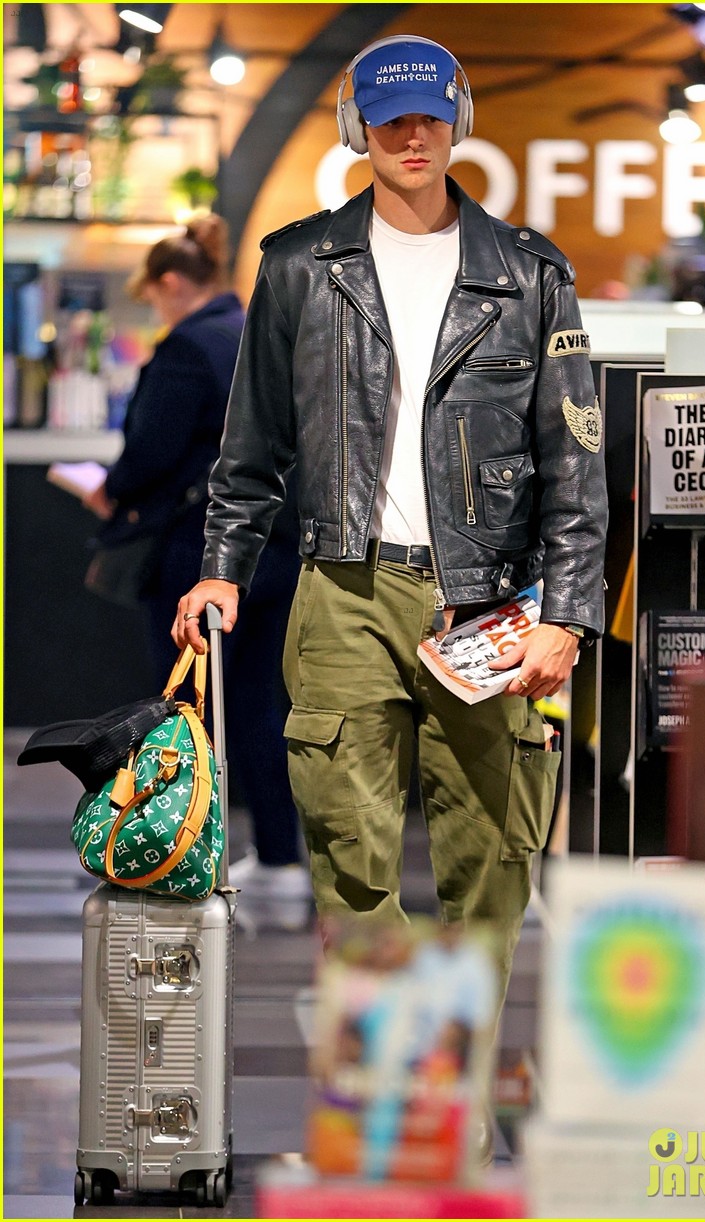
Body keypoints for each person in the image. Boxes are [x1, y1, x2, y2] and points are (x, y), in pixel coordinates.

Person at [174, 37, 607, 993]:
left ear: (458, 119)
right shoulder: (298, 267)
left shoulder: (530, 274)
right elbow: (251, 448)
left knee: (490, 875)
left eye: (428, 115)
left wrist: (569, 614)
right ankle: (385, 1124)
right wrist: (222, 564)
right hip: (343, 595)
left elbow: (574, 461)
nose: (412, 135)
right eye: (389, 116)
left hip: (490, 608)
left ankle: (460, 1126)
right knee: (349, 870)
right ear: (354, 125)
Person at [83, 215, 310, 929]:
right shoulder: (258, 330)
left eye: (153, 295)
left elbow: (151, 448)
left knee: (186, 713)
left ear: (173, 284)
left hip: (199, 550)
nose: (156, 307)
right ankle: (278, 858)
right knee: (256, 706)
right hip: (275, 545)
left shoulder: (188, 347)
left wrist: (110, 490)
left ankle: (184, 852)